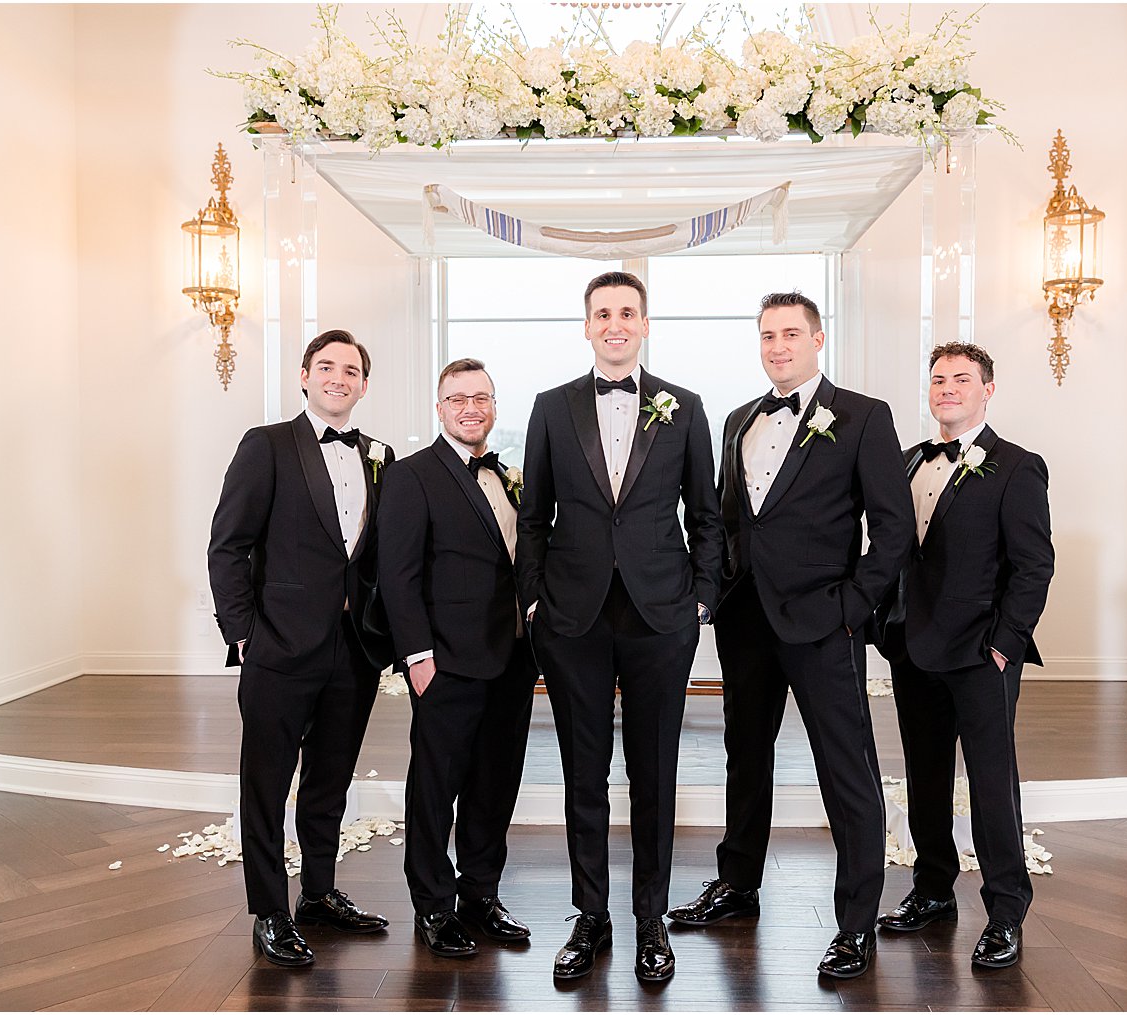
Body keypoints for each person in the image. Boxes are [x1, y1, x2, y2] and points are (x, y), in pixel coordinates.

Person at [667, 291, 914, 980]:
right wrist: (708, 595)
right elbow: (726, 518)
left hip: (823, 620)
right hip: (747, 622)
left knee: (848, 770)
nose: (778, 346)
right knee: (744, 757)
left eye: (791, 334)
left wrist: (854, 604)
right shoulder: (739, 418)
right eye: (768, 335)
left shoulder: (863, 416)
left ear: (818, 338)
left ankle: (855, 922)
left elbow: (893, 526)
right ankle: (737, 884)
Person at [516, 271, 722, 984]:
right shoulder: (549, 408)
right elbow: (532, 518)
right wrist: (535, 601)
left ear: (644, 323)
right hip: (572, 617)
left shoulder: (686, 408)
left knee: (654, 772)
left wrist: (701, 600)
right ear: (586, 325)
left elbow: (707, 516)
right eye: (602, 312)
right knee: (583, 772)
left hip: (662, 614)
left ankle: (651, 917)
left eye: (626, 312)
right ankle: (591, 913)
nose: (615, 323)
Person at [207, 329, 395, 966]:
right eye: (327, 366)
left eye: (352, 369)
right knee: (265, 784)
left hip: (354, 649)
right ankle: (268, 911)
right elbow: (227, 545)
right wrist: (243, 634)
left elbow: (379, 557)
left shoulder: (380, 455)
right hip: (279, 647)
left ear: (364, 384)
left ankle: (319, 893)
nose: (339, 377)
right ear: (305, 377)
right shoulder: (266, 446)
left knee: (329, 779)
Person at [874, 342, 1054, 970]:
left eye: (961, 379)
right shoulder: (905, 462)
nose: (947, 388)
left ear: (988, 389)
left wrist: (1005, 644)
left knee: (991, 784)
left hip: (982, 654)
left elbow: (1034, 566)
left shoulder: (1016, 466)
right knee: (924, 779)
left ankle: (1006, 910)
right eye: (938, 379)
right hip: (913, 648)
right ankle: (932, 891)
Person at [376, 358, 537, 959]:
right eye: (458, 399)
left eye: (482, 398)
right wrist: (419, 658)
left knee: (496, 786)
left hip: (513, 661)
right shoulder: (412, 476)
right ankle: (433, 908)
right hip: (445, 663)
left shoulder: (507, 475)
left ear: (493, 406)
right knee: (435, 788)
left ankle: (481, 896)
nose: (471, 408)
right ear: (438, 408)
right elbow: (397, 574)